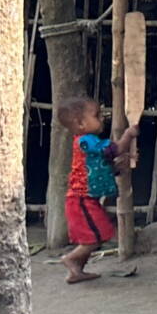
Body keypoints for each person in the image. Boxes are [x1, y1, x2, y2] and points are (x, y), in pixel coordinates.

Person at [55, 96, 136, 285]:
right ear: (81, 123)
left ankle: (77, 271)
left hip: (85, 199)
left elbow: (102, 166)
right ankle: (71, 259)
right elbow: (114, 149)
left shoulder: (88, 143)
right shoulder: (86, 141)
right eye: (97, 115)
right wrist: (129, 135)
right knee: (95, 237)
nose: (102, 119)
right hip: (81, 199)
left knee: (95, 236)